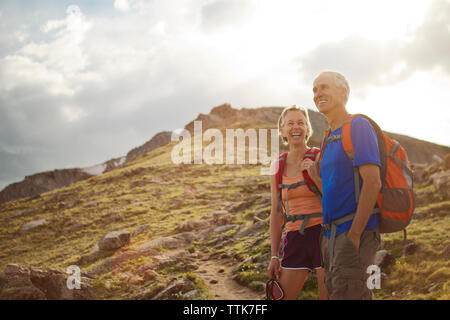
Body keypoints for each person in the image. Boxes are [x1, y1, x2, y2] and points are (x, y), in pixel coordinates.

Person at [311, 71, 381, 300]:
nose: (318, 93)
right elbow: (334, 190)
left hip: (352, 233)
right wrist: (315, 177)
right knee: (337, 293)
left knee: (352, 294)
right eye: (314, 90)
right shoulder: (329, 136)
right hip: (331, 236)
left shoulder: (358, 126)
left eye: (324, 87)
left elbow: (373, 181)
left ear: (343, 92)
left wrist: (355, 233)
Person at [267, 105, 327, 300]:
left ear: (308, 129)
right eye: (290, 123)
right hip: (294, 236)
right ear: (282, 130)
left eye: (301, 123)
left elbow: (335, 198)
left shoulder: (320, 156)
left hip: (324, 234)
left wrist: (315, 176)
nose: (296, 127)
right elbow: (276, 212)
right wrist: (275, 255)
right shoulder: (277, 165)